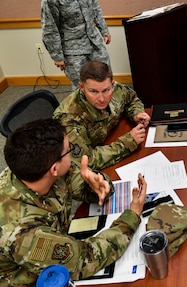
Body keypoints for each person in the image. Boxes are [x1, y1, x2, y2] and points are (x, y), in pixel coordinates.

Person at [0, 118, 147, 285]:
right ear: (54, 168)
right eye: (68, 150)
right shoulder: (22, 233)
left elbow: (92, 188)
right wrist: (132, 215)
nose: (72, 152)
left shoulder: (35, 170)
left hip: (59, 240)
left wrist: (95, 185)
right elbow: (86, 260)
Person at [53, 60, 151, 170]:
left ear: (112, 85)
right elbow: (86, 161)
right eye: (93, 91)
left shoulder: (114, 89)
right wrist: (128, 141)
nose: (101, 99)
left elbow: (131, 99)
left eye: (106, 90)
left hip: (109, 140)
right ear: (81, 87)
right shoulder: (69, 118)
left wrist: (136, 113)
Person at [41, 0, 111, 90]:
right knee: (82, 85)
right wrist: (56, 55)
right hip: (72, 50)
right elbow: (50, 28)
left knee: (105, 77)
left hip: (94, 43)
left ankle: (108, 103)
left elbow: (95, 8)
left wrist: (104, 30)